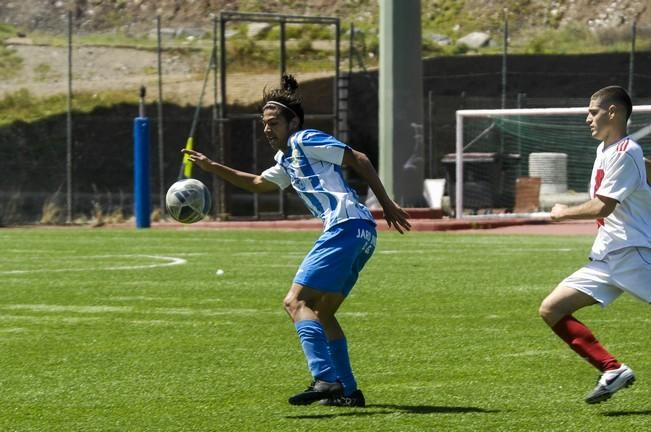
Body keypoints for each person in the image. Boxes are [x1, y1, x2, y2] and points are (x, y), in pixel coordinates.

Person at [182, 74, 411, 407]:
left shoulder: (305, 139)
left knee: (295, 302)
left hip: (345, 226)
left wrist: (386, 204)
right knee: (322, 313)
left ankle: (325, 379)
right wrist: (212, 166)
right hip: (362, 233)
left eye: (273, 122)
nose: (266, 129)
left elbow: (358, 158)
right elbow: (258, 182)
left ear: (293, 122)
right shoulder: (287, 159)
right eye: (264, 123)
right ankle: (348, 391)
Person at [539, 85, 651, 404]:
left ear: (612, 112)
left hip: (634, 254)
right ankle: (612, 370)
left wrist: (563, 212)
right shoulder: (608, 150)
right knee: (552, 309)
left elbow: (602, 206)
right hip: (606, 256)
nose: (588, 118)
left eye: (593, 112)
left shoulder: (626, 151)